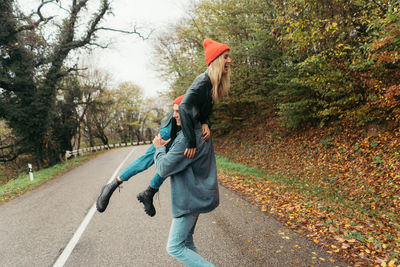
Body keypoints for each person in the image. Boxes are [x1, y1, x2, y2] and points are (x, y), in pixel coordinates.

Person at [152, 96, 218, 267]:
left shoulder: (187, 139)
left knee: (174, 247)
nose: (174, 115)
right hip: (196, 197)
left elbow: (163, 169)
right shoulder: (200, 131)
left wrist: (159, 149)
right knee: (187, 243)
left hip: (188, 200)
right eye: (173, 110)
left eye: (177, 111)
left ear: (191, 111)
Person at [95, 96, 184, 216]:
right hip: (171, 128)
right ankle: (111, 186)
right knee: (147, 160)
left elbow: (204, 112)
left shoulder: (205, 99)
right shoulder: (199, 91)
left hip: (182, 130)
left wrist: (205, 123)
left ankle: (149, 193)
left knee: (170, 163)